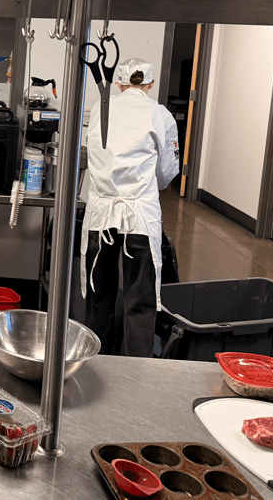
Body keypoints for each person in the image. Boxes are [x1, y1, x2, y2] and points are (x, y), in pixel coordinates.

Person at [80, 58, 180, 358]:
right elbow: (165, 174)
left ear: (120, 83)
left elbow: (93, 154)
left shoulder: (100, 108)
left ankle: (95, 361)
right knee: (140, 300)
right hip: (139, 217)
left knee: (99, 295)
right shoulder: (159, 115)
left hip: (101, 216)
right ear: (149, 85)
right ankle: (136, 369)